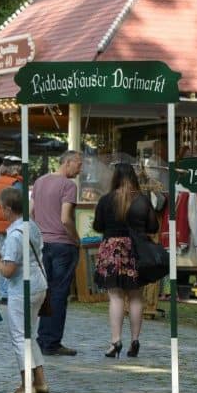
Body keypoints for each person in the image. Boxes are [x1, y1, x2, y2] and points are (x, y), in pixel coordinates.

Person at [0, 187, 49, 393]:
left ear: (7, 209)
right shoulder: (31, 225)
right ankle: (40, 381)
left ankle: (26, 384)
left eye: (1, 207)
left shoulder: (14, 234)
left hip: (22, 288)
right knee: (30, 334)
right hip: (38, 285)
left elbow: (8, 271)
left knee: (21, 337)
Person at [92, 163, 158, 358]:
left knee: (116, 296)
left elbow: (98, 225)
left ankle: (115, 340)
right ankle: (135, 340)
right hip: (136, 250)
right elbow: (153, 226)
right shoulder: (142, 200)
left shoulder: (106, 200)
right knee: (136, 297)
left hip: (112, 250)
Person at [31, 150, 82, 356]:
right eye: (78, 164)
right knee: (60, 293)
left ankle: (43, 337)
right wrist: (76, 239)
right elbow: (65, 218)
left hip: (43, 243)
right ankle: (51, 342)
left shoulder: (40, 181)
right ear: (67, 163)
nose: (80, 169)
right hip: (62, 244)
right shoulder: (69, 186)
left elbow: (31, 210)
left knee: (46, 292)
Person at [0, 155, 23, 304]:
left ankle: (2, 291)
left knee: (2, 256)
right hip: (10, 224)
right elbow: (21, 203)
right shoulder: (15, 183)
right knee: (8, 258)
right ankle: (6, 294)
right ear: (16, 167)